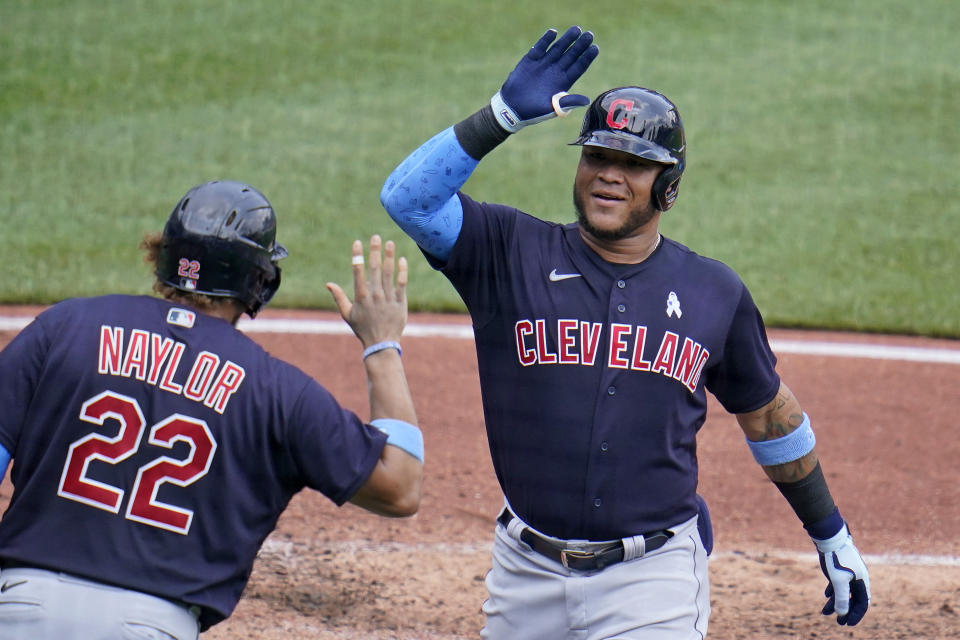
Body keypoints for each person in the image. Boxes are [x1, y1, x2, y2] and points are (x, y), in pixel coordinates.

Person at [380, 26, 870, 638]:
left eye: (635, 164)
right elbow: (408, 201)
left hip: (652, 580)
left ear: (669, 186)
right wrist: (500, 117)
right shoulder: (509, 252)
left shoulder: (713, 293)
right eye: (598, 156)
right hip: (523, 574)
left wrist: (830, 533)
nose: (610, 175)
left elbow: (771, 417)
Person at [0, 180, 424, 638]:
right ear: (258, 280)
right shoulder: (277, 390)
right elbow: (398, 486)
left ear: (162, 255)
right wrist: (381, 343)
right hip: (151, 625)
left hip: (21, 603)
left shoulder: (64, 328)